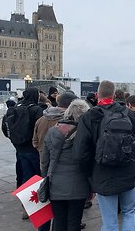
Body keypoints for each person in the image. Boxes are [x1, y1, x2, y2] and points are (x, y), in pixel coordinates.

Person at [73, 80, 135, 231]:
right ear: (113, 94)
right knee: (129, 212)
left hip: (102, 173)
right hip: (127, 172)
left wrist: (89, 176)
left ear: (97, 94)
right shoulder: (129, 114)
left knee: (109, 219)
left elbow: (81, 152)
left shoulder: (90, 116)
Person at [41, 99, 90, 231]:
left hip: (55, 183)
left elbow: (45, 160)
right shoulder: (84, 134)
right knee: (74, 222)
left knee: (58, 220)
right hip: (78, 184)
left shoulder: (52, 131)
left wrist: (45, 177)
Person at [2, 87, 43, 219]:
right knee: (39, 177)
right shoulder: (36, 109)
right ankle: (39, 207)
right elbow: (40, 130)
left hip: (21, 149)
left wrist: (15, 141)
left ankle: (27, 208)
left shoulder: (16, 107)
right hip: (34, 149)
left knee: (27, 177)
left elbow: (5, 126)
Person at [33, 92, 78, 163]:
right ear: (71, 105)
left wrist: (42, 151)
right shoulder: (68, 121)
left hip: (43, 159)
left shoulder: (41, 119)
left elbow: (35, 141)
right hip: (61, 161)